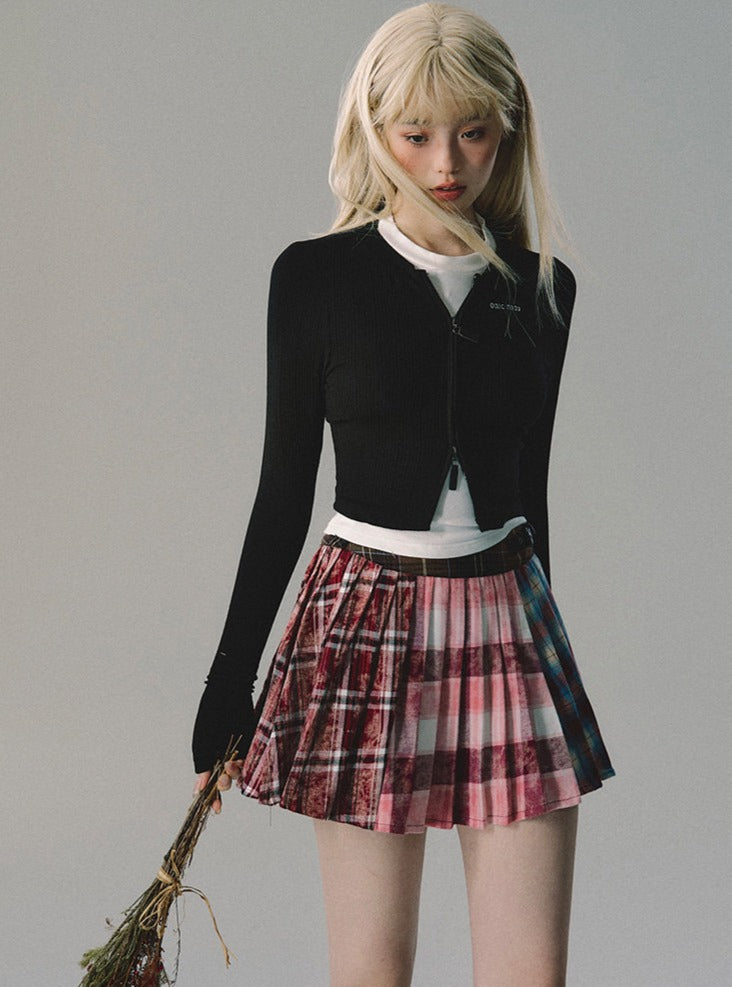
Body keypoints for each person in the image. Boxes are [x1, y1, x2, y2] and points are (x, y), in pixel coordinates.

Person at [192, 3, 615, 983]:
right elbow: (283, 490)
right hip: (361, 624)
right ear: (373, 127)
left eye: (472, 131)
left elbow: (532, 489)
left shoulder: (543, 290)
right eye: (415, 134)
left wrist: (541, 645)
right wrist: (227, 680)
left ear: (507, 128)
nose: (446, 162)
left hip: (508, 618)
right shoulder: (315, 280)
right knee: (371, 971)